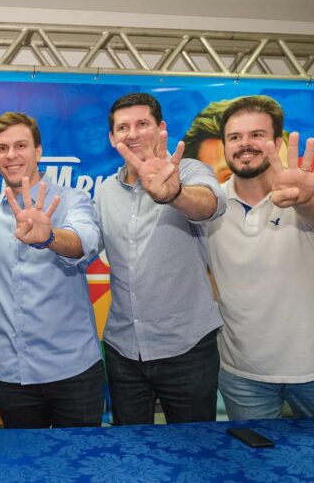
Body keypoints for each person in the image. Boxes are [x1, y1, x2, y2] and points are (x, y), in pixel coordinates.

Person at [207, 95, 314, 420]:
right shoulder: (210, 204)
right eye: (235, 137)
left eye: (256, 135)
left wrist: (305, 198)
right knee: (255, 468)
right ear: (225, 146)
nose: (245, 144)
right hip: (241, 374)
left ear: (277, 142)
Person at [93, 93, 226, 425]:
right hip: (124, 352)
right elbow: (85, 245)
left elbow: (210, 204)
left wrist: (176, 193)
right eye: (123, 127)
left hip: (188, 350)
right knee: (132, 456)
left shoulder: (190, 171)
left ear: (161, 128)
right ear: (112, 137)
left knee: (197, 454)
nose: (133, 133)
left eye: (142, 124)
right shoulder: (105, 192)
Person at [0, 112, 104, 429]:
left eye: (21, 145)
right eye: (1, 148)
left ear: (39, 151)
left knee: (81, 469)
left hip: (74, 371)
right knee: (23, 469)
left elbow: (83, 242)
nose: (11, 155)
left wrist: (48, 237)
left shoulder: (72, 200)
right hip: (13, 374)